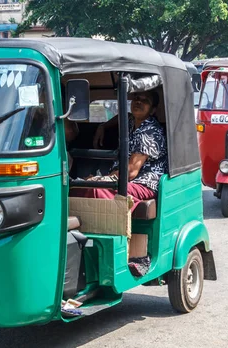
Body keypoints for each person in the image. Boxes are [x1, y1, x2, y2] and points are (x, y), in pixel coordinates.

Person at [71, 91, 168, 276]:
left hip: (143, 183)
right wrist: (103, 126)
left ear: (153, 109)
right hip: (123, 177)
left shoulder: (150, 131)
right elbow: (122, 117)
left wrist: (101, 180)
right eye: (136, 99)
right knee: (79, 187)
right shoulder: (134, 121)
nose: (138, 103)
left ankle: (110, 245)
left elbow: (131, 171)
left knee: (96, 191)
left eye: (145, 101)